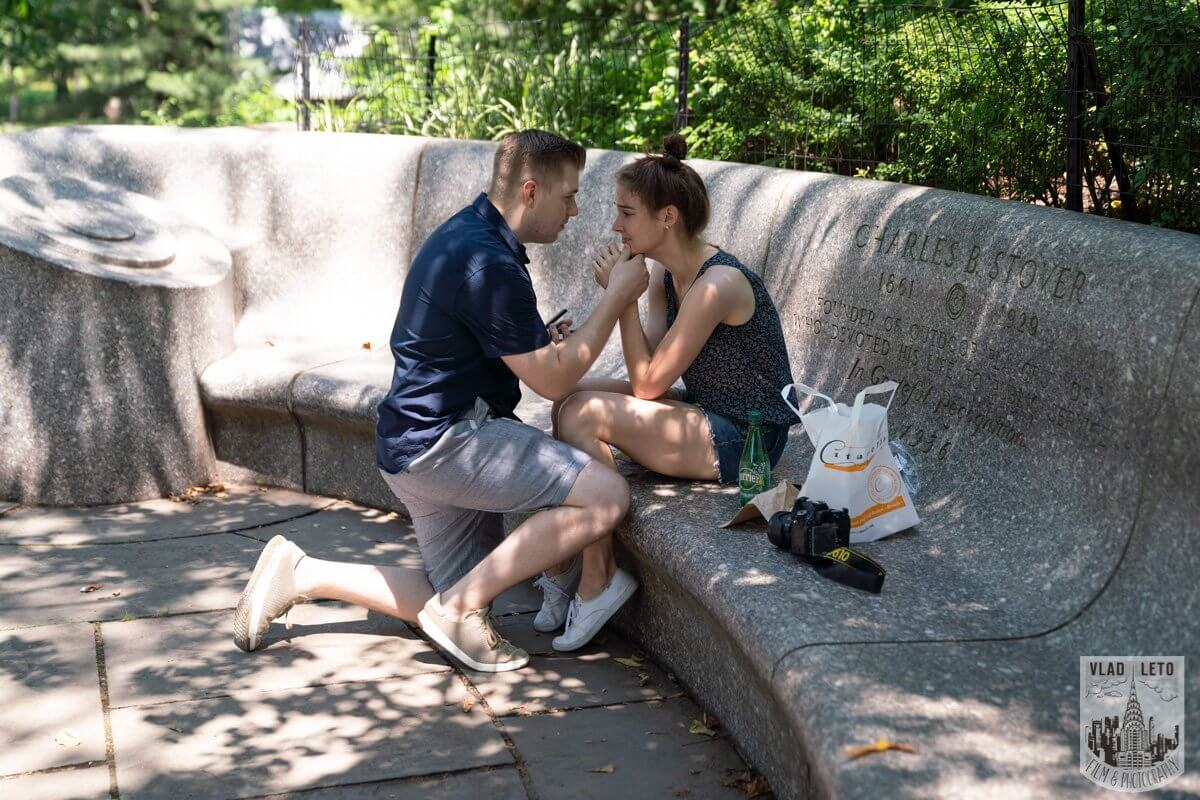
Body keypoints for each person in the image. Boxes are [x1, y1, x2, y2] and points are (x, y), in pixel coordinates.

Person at [233, 130, 650, 672]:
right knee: (607, 498)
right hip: (450, 441)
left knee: (456, 593)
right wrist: (617, 296)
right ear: (530, 192)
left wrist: (537, 339)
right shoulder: (490, 265)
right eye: (568, 195)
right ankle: (459, 606)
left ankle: (303, 573)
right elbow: (553, 383)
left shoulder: (470, 235)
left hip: (410, 444)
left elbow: (476, 343)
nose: (574, 210)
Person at [538, 134, 796, 606]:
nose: (617, 226)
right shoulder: (663, 274)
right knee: (567, 398)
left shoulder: (717, 283)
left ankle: (595, 574)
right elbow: (652, 365)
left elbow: (648, 382)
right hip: (705, 410)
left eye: (627, 213)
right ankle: (576, 553)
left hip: (748, 437)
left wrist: (621, 300)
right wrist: (622, 300)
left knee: (583, 415)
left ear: (668, 217)